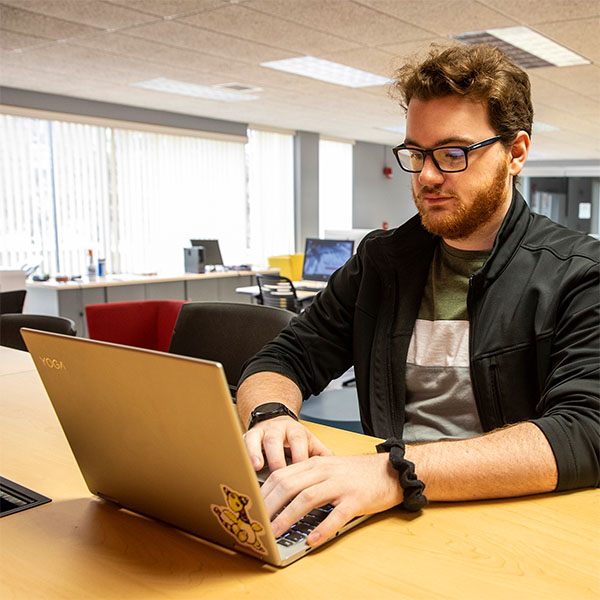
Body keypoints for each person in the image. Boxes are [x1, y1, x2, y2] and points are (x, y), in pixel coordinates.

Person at [236, 44, 600, 549]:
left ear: (515, 153)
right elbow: (286, 356)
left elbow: (585, 431)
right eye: (417, 153)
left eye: (453, 154)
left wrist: (392, 472)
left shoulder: (581, 274)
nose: (427, 176)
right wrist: (269, 415)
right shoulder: (382, 262)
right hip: (389, 517)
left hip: (515, 527)